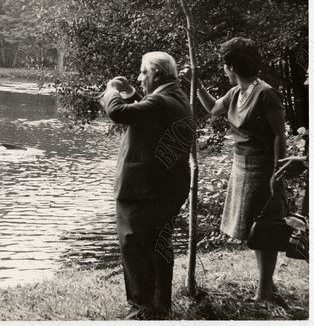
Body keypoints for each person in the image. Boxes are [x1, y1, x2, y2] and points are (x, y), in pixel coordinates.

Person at [184, 37, 286, 302]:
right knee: (254, 228)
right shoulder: (236, 92)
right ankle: (268, 285)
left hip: (264, 168)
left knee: (264, 228)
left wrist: (278, 171)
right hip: (241, 164)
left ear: (232, 65)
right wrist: (197, 85)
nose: (223, 69)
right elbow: (212, 109)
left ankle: (264, 291)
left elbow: (279, 135)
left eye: (224, 65)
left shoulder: (265, 93)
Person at [99, 52, 193, 320]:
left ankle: (142, 309)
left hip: (143, 189)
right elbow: (147, 113)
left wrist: (112, 90)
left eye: (143, 73)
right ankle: (159, 306)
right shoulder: (174, 96)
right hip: (164, 188)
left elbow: (118, 113)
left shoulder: (162, 101)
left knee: (135, 247)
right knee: (158, 247)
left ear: (157, 75)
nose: (139, 78)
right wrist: (132, 94)